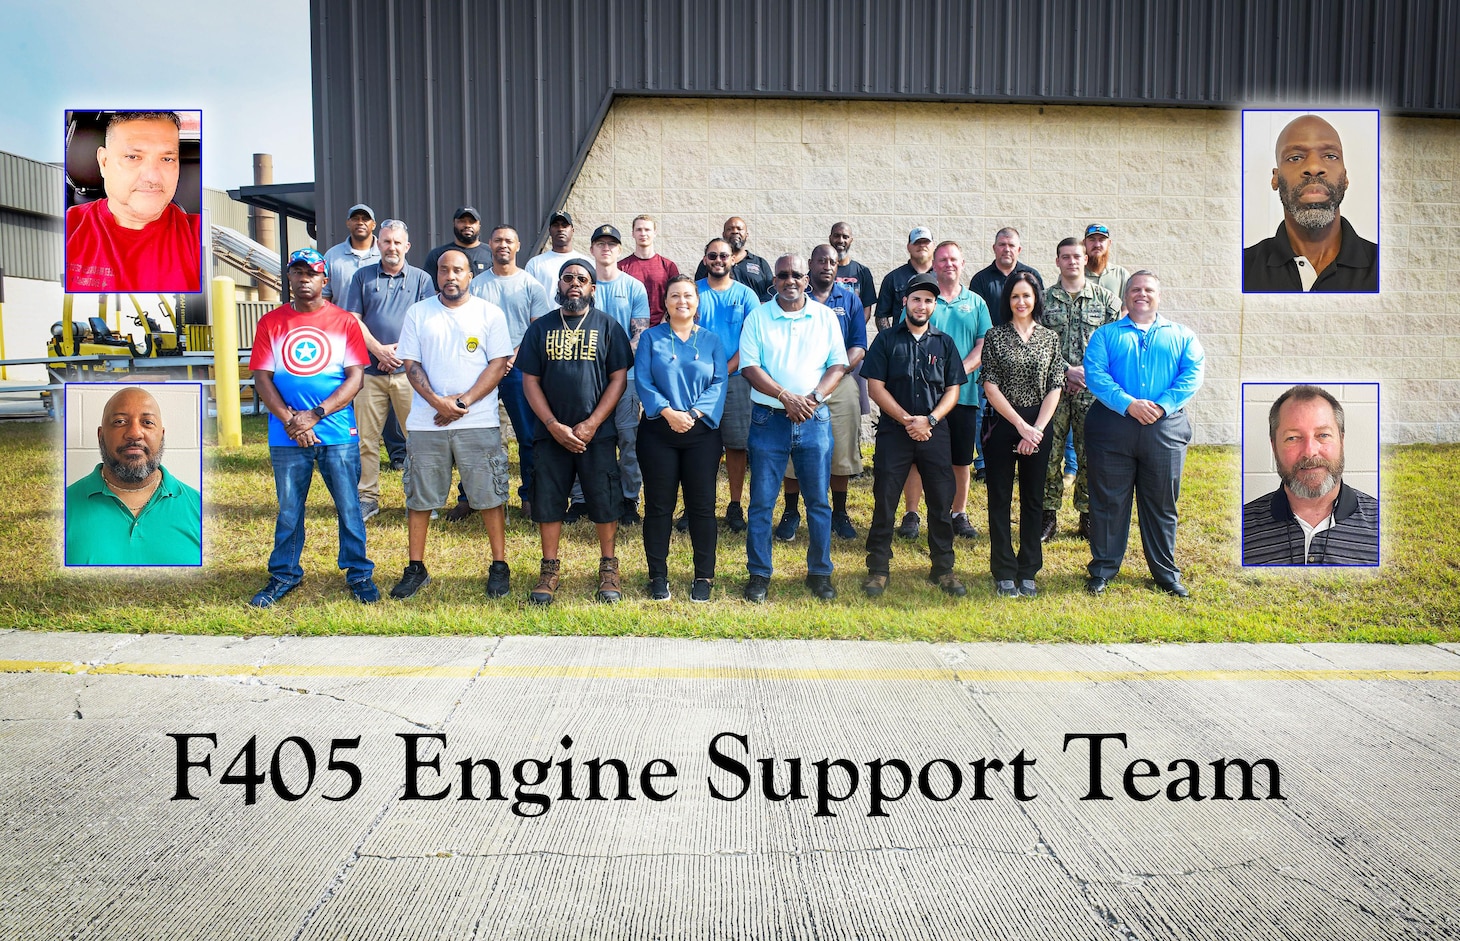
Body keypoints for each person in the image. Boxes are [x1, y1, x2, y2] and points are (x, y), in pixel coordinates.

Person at [248, 248, 378, 607]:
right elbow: (262, 378)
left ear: (325, 280)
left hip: (336, 432)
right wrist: (292, 420)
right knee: (290, 509)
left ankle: (359, 573)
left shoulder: (344, 322)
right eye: (297, 273)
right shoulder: (271, 323)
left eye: (311, 273)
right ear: (289, 278)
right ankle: (284, 574)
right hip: (286, 434)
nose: (304, 279)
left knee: (349, 506)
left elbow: (356, 379)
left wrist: (314, 415)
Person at [389, 249, 514, 599]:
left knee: (489, 495)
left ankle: (499, 565)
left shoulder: (489, 313)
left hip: (478, 421)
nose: (450, 276)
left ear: (470, 275)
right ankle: (416, 568)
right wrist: (437, 403)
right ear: (436, 275)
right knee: (419, 498)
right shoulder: (419, 313)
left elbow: (498, 363)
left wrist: (461, 403)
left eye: (457, 270)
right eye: (444, 270)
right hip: (427, 423)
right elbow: (411, 365)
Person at [516, 259, 633, 605]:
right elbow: (530, 381)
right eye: (568, 278)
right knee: (549, 500)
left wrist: (593, 422)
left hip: (596, 433)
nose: (574, 284)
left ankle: (609, 568)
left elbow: (619, 379)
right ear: (559, 285)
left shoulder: (608, 326)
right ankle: (549, 568)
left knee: (604, 499)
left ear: (593, 288)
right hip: (550, 433)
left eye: (582, 279)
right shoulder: (540, 329)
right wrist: (553, 425)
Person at [1083, 271, 1205, 598]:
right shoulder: (1105, 336)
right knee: (1108, 503)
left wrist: (1162, 405)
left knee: (1162, 504)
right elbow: (1096, 375)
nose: (1142, 294)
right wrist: (1128, 404)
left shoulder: (1182, 336)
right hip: (1113, 427)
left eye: (1148, 289)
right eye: (1135, 290)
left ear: (1158, 296)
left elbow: (1191, 375)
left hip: (1164, 429)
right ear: (1125, 296)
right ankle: (1103, 569)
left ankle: (1165, 573)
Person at [738, 253, 849, 602]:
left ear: (807, 280)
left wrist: (812, 398)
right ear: (774, 280)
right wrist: (786, 396)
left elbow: (838, 365)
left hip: (814, 419)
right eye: (783, 275)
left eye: (796, 275)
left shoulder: (825, 316)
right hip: (768, 420)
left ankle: (819, 573)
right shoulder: (758, 317)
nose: (790, 281)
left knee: (818, 502)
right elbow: (749, 367)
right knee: (761, 503)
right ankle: (759, 574)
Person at [860, 273, 967, 598]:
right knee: (885, 501)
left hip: (935, 433)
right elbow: (875, 387)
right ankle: (878, 569)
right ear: (905, 302)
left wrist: (930, 419)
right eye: (917, 299)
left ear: (935, 305)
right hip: (895, 432)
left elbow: (953, 389)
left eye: (929, 300)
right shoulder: (887, 340)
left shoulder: (944, 343)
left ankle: (943, 569)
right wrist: (908, 419)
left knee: (940, 501)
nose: (923, 305)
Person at [635, 275, 728, 602]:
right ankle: (657, 575)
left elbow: (719, 382)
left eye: (688, 296)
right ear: (666, 302)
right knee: (659, 506)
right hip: (658, 432)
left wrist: (693, 414)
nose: (682, 301)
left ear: (697, 302)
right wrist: (668, 412)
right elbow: (643, 381)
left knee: (701, 507)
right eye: (675, 296)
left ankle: (703, 575)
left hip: (701, 433)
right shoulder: (650, 338)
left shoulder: (712, 341)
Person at [343, 219, 436, 522]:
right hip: (370, 373)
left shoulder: (422, 279)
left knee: (417, 438)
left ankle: (419, 499)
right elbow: (353, 320)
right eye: (386, 241)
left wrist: (396, 353)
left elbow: (426, 323)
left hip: (409, 374)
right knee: (366, 439)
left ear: (406, 246)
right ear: (377, 244)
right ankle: (367, 497)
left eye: (397, 242)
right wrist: (378, 350)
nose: (391, 247)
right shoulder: (362, 277)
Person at [980, 272, 1066, 598]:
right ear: (1008, 300)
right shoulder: (995, 336)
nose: (1021, 302)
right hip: (1004, 424)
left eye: (1027, 296)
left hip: (1040, 428)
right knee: (999, 500)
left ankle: (1028, 569)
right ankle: (1003, 570)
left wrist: (1037, 430)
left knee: (1033, 500)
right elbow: (990, 384)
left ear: (1036, 299)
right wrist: (1020, 426)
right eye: (1015, 296)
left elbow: (1055, 385)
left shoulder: (1050, 338)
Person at [776, 244, 867, 542]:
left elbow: (858, 345)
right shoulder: (794, 296)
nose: (827, 265)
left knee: (840, 449)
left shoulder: (850, 300)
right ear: (809, 268)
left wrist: (835, 372)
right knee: (793, 446)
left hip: (839, 383)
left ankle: (838, 512)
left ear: (837, 267)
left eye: (832, 261)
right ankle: (791, 511)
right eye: (820, 261)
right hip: (799, 387)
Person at [462, 224, 552, 521]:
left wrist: (511, 356)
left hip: (518, 368)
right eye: (498, 240)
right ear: (490, 244)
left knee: (527, 436)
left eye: (508, 241)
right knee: (473, 434)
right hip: (480, 368)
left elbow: (537, 329)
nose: (503, 245)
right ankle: (470, 496)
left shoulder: (530, 285)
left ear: (518, 246)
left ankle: (528, 495)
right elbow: (467, 325)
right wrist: (491, 359)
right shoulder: (476, 284)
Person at [567, 224, 649, 525]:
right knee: (581, 435)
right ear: (591, 249)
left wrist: (609, 362)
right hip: (585, 381)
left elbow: (639, 334)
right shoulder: (581, 284)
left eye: (611, 244)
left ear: (618, 249)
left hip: (625, 379)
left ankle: (629, 499)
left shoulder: (633, 287)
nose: (606, 249)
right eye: (600, 244)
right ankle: (580, 499)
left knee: (628, 439)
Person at [64, 386, 202, 566]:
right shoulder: (64, 507)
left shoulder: (199, 507)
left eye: (147, 422)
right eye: (120, 422)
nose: (134, 433)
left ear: (161, 435)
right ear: (101, 435)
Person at [65, 111, 200, 294]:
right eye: (133, 157)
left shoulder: (204, 238)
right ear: (104, 162)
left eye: (167, 159)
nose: (152, 176)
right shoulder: (65, 229)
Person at [1040, 238, 1121, 543]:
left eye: (1077, 256)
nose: (1072, 261)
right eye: (1065, 257)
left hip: (1093, 391)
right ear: (1057, 261)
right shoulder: (1043, 300)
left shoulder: (1107, 301)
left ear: (1086, 259)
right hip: (1053, 389)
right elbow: (1037, 342)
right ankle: (1048, 515)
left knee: (1092, 454)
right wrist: (1066, 370)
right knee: (1050, 453)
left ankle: (1088, 515)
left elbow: (1116, 345)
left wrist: (1086, 371)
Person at [1242, 385, 1378, 565]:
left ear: (1341, 441)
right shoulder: (1240, 527)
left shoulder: (1383, 526)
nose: (1310, 451)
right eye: (1293, 438)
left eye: (1323, 435)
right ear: (1274, 447)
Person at [1243, 114, 1379, 292]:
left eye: (1330, 156)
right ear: (1275, 178)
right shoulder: (1241, 269)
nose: (1314, 167)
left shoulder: (1387, 269)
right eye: (1295, 158)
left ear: (1345, 177)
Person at [696, 237, 763, 533]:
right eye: (713, 255)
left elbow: (750, 342)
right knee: (698, 445)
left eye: (724, 255)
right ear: (706, 259)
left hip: (735, 381)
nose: (718, 260)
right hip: (696, 382)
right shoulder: (694, 292)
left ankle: (735, 505)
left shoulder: (747, 296)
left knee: (736, 445)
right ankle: (698, 504)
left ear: (733, 259)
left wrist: (722, 372)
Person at [969, 227, 1045, 327]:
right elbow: (975, 317)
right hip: (992, 340)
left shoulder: (1032, 276)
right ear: (994, 248)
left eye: (1011, 245)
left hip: (1027, 339)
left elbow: (1040, 310)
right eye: (1002, 244)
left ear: (1019, 250)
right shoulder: (980, 280)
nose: (1007, 249)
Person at [617, 214, 681, 327]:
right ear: (633, 233)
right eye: (639, 230)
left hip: (662, 328)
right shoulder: (621, 267)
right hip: (630, 329)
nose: (643, 233)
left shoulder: (668, 266)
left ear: (654, 233)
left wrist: (664, 322)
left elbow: (676, 297)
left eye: (647, 229)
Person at [693, 216, 775, 301]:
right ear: (723, 234)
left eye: (739, 229)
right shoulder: (711, 262)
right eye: (730, 229)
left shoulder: (760, 263)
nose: (735, 231)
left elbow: (772, 289)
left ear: (746, 235)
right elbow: (697, 289)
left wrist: (761, 305)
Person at [873, 226, 935, 333]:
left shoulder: (943, 277)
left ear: (934, 246)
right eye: (917, 242)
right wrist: (890, 340)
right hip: (902, 345)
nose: (921, 245)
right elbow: (881, 317)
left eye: (926, 241)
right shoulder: (893, 278)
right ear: (908, 247)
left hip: (937, 344)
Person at [524, 210, 592, 295]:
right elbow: (528, 297)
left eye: (564, 225)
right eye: (556, 225)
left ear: (572, 230)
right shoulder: (535, 264)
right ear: (549, 230)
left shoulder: (586, 263)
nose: (560, 229)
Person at [322, 204, 380, 303]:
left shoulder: (385, 254)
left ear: (373, 225)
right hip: (342, 318)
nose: (360, 222)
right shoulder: (332, 256)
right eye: (355, 219)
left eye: (365, 219)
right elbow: (324, 297)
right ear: (348, 223)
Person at [423, 206, 493, 288]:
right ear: (454, 224)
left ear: (479, 225)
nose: (467, 225)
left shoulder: (491, 254)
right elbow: (431, 290)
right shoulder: (438, 255)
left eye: (472, 222)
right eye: (462, 221)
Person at [1082, 224, 1130, 302]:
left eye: (1101, 240)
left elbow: (1127, 308)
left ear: (1109, 243)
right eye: (1092, 240)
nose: (1097, 245)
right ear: (1084, 243)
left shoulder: (1121, 274)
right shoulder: (1075, 274)